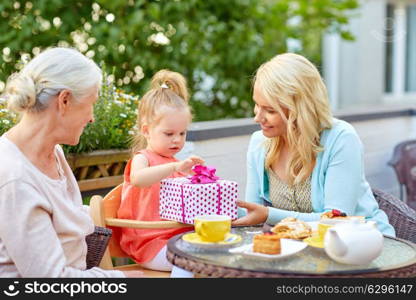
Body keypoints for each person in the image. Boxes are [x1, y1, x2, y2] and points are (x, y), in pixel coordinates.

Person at [0, 47, 143, 277]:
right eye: (91, 104)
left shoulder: (53, 152)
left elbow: (64, 220)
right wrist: (122, 279)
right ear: (64, 100)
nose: (92, 117)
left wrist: (128, 215)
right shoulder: (15, 178)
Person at [233, 53, 395, 236]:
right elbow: (252, 215)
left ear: (300, 108)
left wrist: (269, 215)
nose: (257, 117)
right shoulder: (260, 143)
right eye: (257, 105)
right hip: (305, 248)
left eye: (270, 110)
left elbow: (337, 220)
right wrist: (206, 192)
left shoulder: (341, 139)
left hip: (363, 245)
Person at [117, 70, 203, 276]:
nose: (177, 140)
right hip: (149, 243)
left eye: (182, 133)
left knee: (218, 251)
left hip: (177, 240)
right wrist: (174, 168)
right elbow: (138, 179)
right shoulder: (143, 158)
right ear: (146, 131)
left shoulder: (175, 163)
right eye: (169, 133)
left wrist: (198, 179)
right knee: (189, 260)